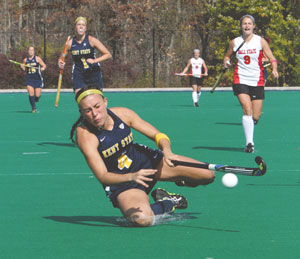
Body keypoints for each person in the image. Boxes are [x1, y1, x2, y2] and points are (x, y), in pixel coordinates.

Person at [70, 85, 215, 227]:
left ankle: (180, 179)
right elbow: (103, 176)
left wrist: (167, 151)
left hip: (149, 163)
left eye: (97, 106)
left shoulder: (122, 114)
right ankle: (168, 202)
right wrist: (132, 177)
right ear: (81, 112)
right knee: (142, 219)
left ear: (105, 101)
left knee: (207, 175)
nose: (95, 114)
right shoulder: (85, 136)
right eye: (88, 110)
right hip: (123, 183)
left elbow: (158, 135)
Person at [223, 15, 278, 153]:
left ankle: (251, 125)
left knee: (255, 116)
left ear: (253, 26)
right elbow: (227, 56)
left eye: (249, 24)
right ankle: (249, 143)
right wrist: (226, 62)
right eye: (244, 24)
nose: (247, 26)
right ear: (241, 26)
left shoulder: (260, 41)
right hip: (240, 79)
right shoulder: (234, 42)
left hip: (257, 79)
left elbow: (272, 58)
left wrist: (274, 69)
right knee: (246, 109)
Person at [58, 16, 112, 93]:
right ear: (75, 27)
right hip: (79, 73)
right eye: (78, 24)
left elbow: (108, 54)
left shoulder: (92, 40)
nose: (81, 27)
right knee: (79, 95)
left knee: (96, 98)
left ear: (85, 28)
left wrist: (95, 60)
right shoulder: (70, 43)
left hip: (93, 73)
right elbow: (61, 57)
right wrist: (60, 62)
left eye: (83, 25)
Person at [21, 46, 46, 113]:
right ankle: (33, 108)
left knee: (37, 95)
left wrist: (42, 68)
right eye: (30, 50)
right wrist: (22, 66)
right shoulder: (25, 60)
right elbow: (24, 69)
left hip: (37, 79)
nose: (31, 51)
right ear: (28, 51)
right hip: (29, 78)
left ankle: (35, 100)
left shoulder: (37, 59)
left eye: (32, 50)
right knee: (31, 93)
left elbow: (44, 65)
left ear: (34, 51)